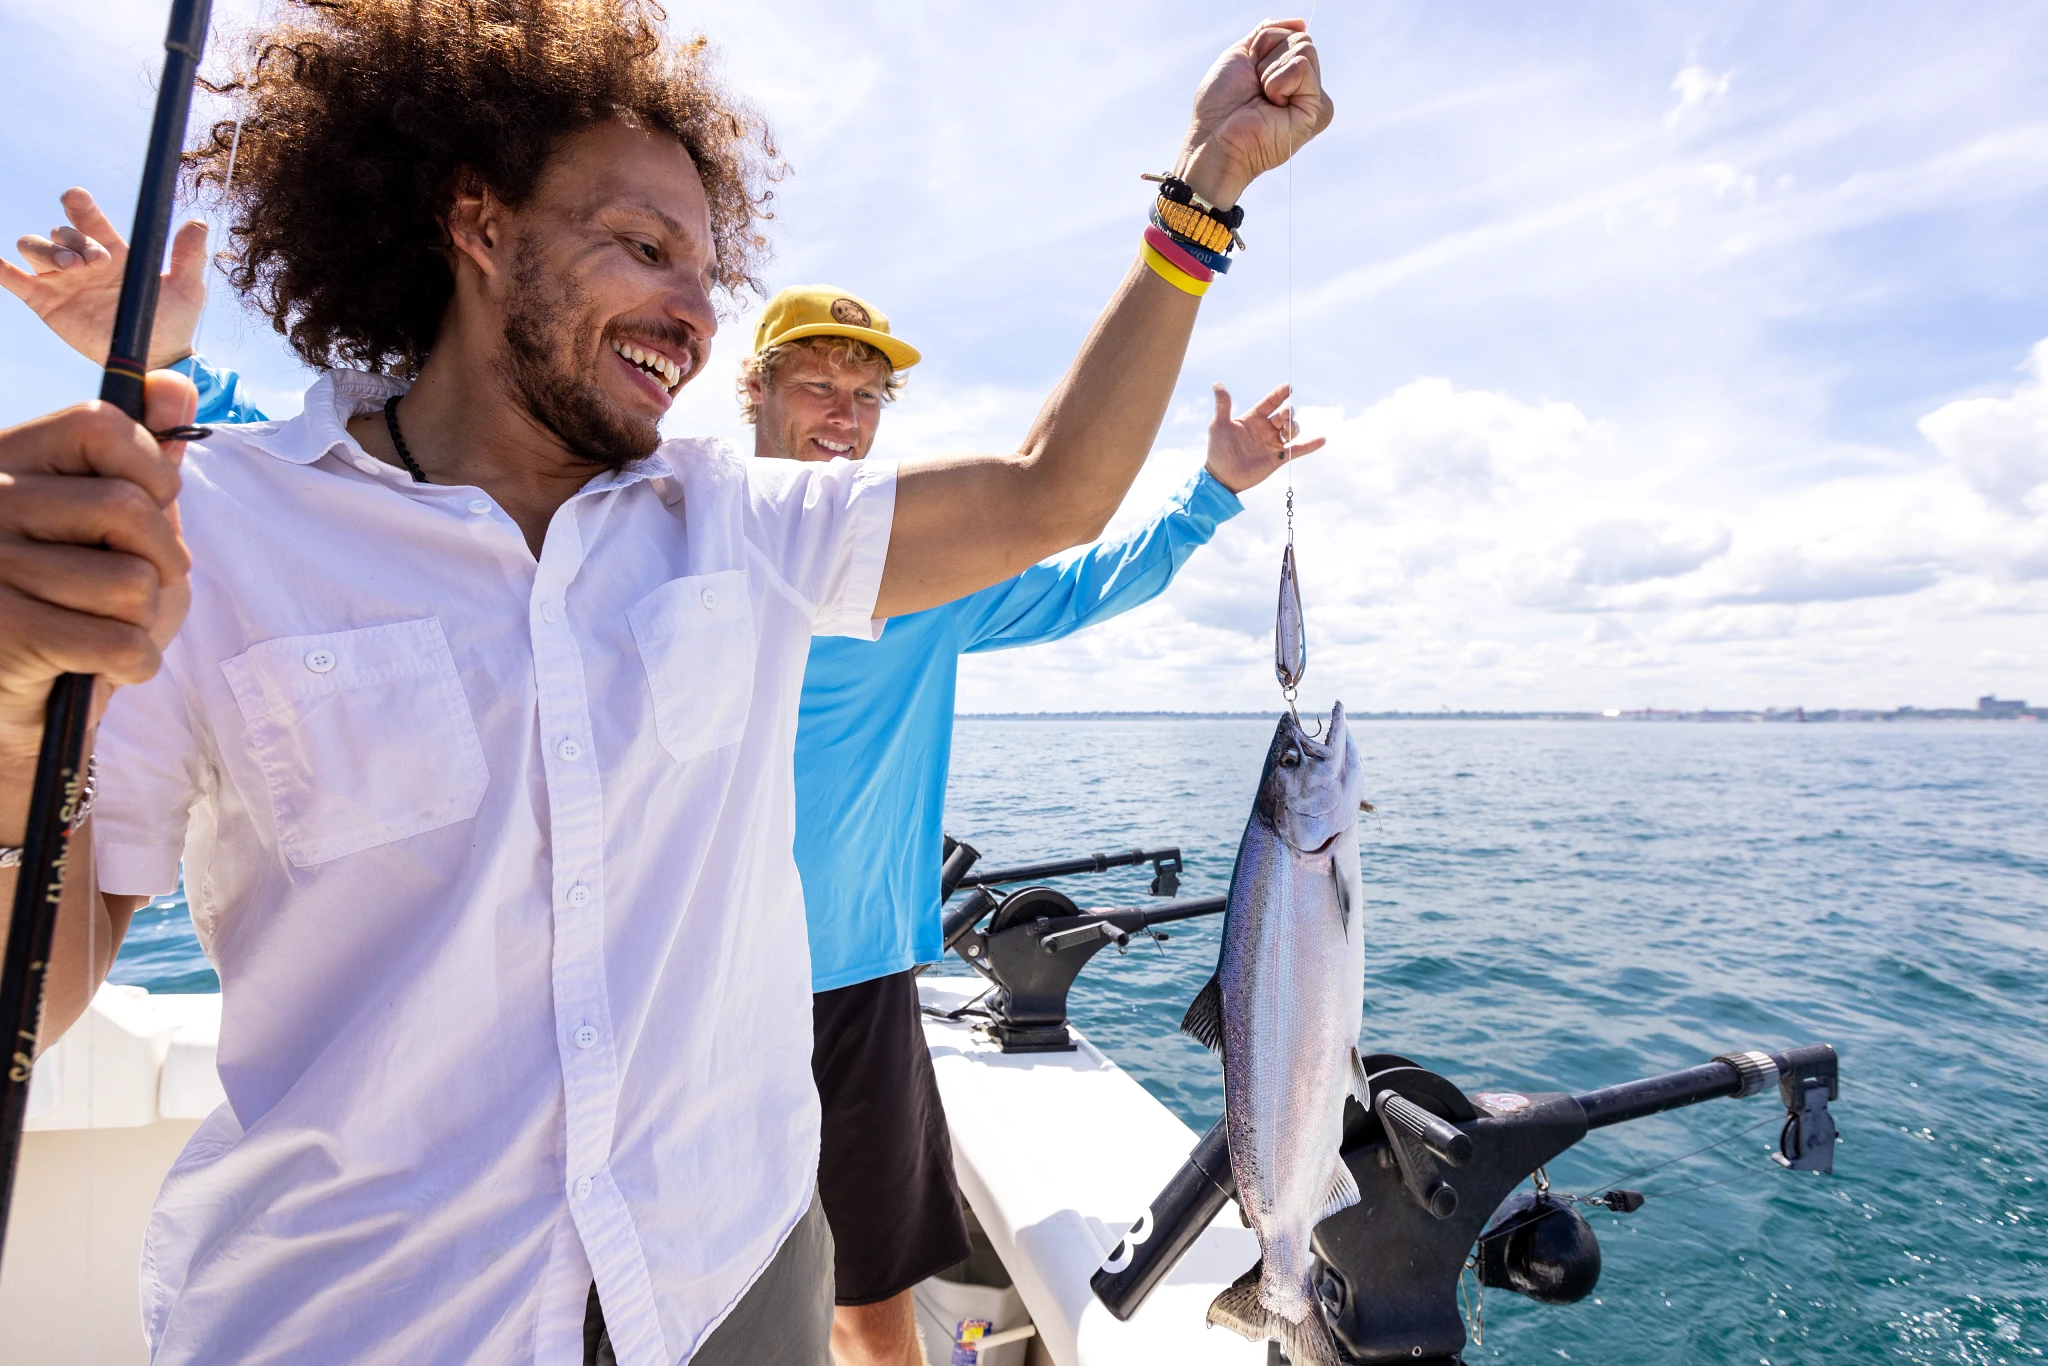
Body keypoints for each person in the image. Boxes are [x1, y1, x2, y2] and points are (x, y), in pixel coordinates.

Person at [0, 3, 1329, 1363]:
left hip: (728, 1283)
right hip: (364, 1322)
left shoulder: (742, 521)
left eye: (707, 270)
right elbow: (36, 987)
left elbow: (1055, 493)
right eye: (642, 248)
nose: (695, 314)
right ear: (480, 224)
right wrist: (4, 709)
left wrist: (1203, 190)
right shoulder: (215, 528)